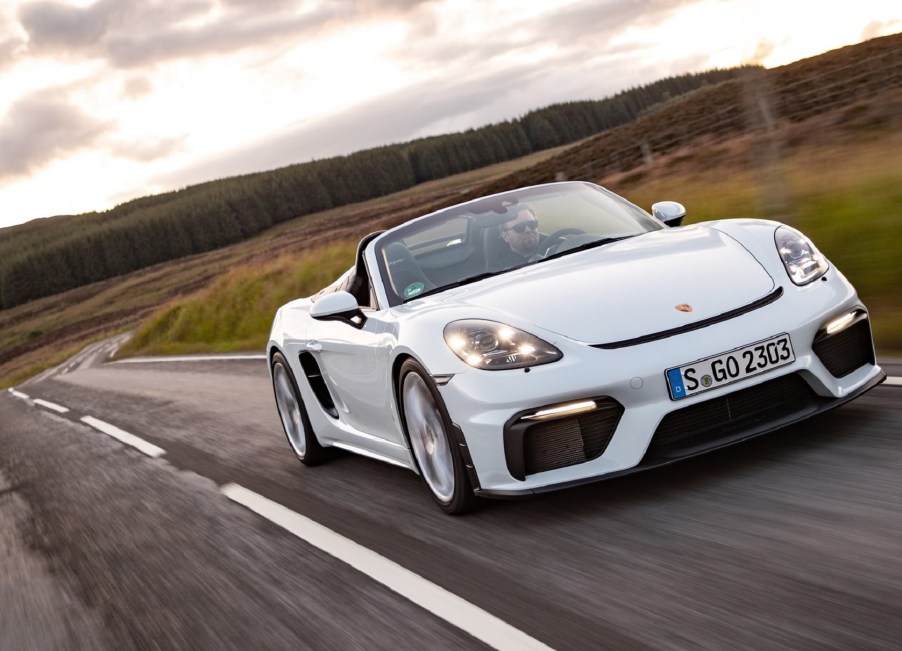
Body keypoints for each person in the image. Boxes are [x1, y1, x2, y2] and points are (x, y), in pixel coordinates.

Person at [494, 205, 541, 269]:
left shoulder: (556, 247)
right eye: (520, 227)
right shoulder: (501, 270)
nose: (528, 229)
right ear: (506, 236)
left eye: (531, 224)